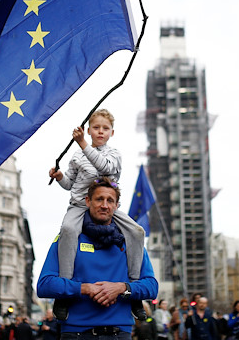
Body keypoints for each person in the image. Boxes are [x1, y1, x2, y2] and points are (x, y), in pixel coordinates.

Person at [48, 109, 146, 321]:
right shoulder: (76, 155)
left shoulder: (114, 154)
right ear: (89, 130)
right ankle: (64, 293)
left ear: (112, 132)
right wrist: (59, 177)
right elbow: (70, 184)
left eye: (105, 128)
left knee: (137, 232)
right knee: (67, 230)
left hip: (105, 203)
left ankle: (134, 289)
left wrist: (83, 144)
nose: (101, 131)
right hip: (79, 205)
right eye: (96, 127)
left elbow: (104, 168)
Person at [37, 176, 158, 339]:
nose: (104, 205)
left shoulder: (131, 241)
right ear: (87, 201)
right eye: (99, 199)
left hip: (119, 333)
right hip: (76, 333)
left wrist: (121, 288)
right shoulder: (68, 238)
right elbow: (44, 285)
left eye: (110, 200)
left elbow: (152, 286)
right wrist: (84, 288)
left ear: (116, 206)